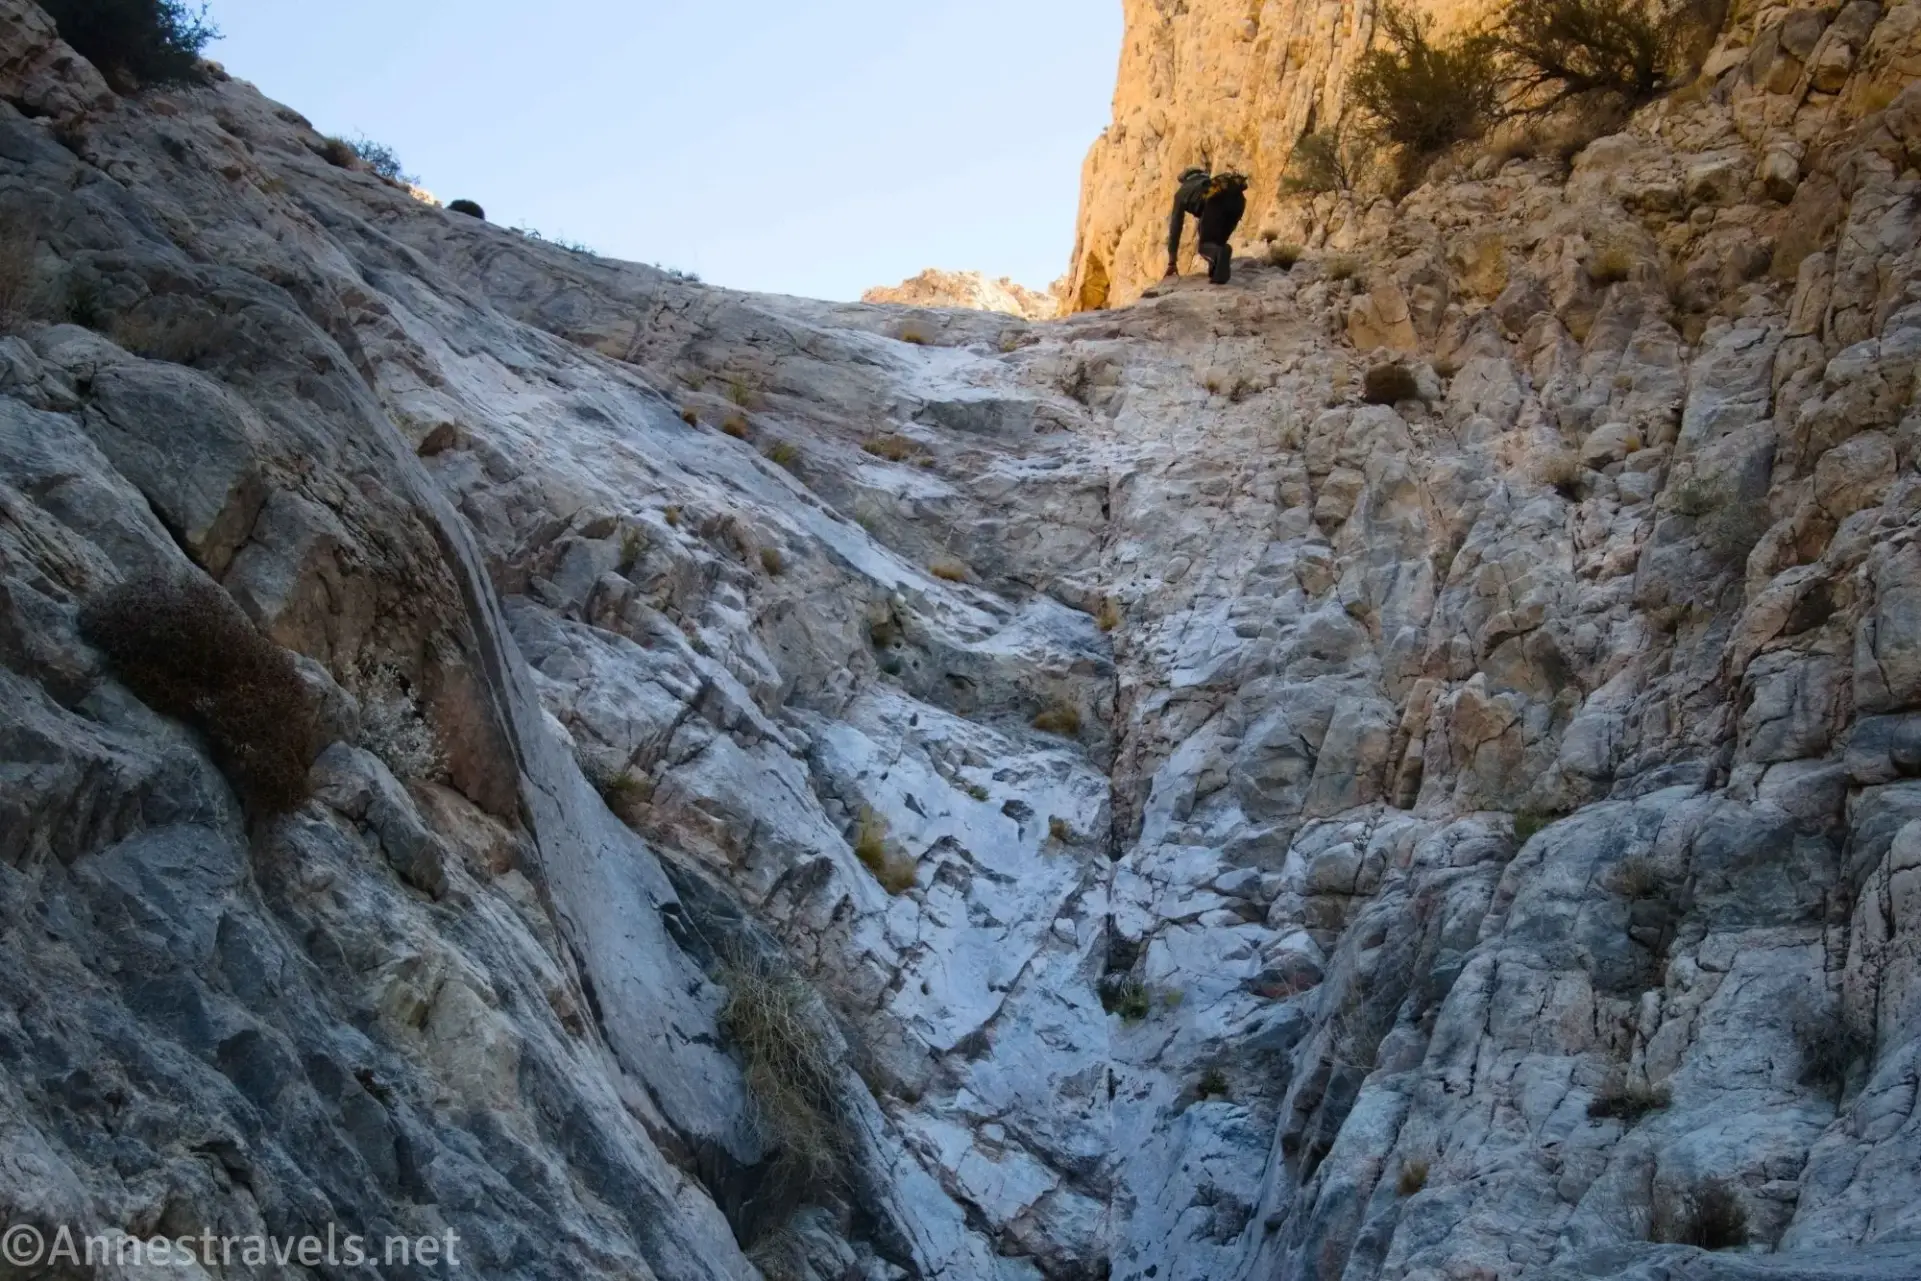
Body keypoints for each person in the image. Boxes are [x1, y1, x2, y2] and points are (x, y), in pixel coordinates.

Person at [1165, 167, 1249, 285]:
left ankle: (1219, 254)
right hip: (1239, 202)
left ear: (1185, 179)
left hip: (1215, 203)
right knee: (1216, 243)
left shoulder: (1182, 192)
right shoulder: (1212, 184)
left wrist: (1172, 262)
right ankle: (1216, 269)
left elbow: (1176, 227)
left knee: (1205, 246)